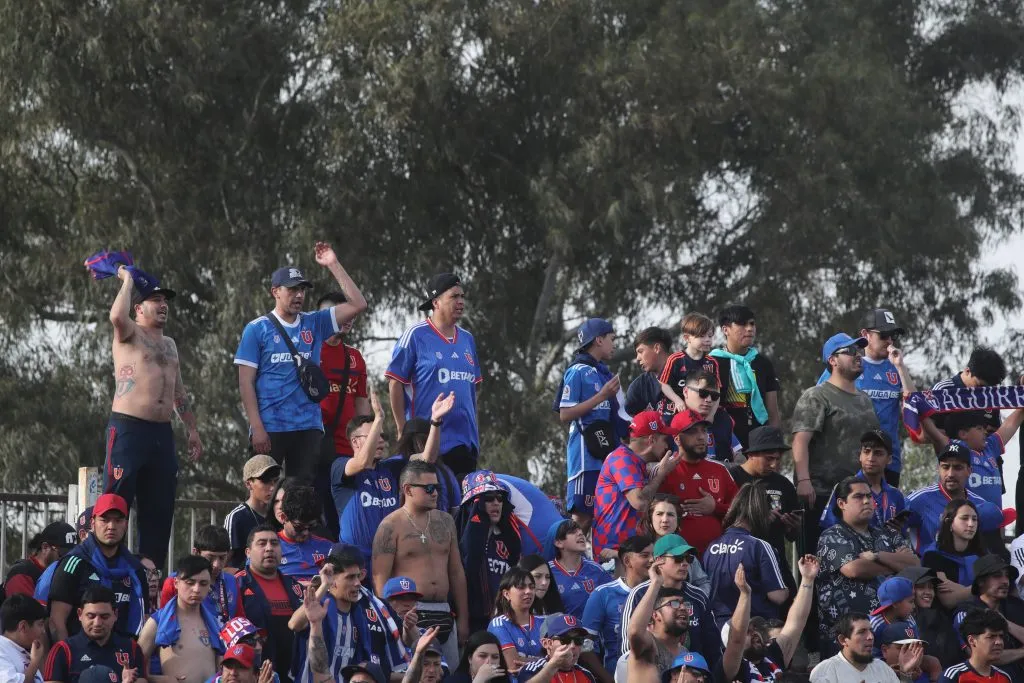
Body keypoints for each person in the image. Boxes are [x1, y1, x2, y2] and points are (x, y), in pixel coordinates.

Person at [234, 242, 367, 478]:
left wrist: (333, 264)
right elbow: (246, 382)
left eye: (302, 290)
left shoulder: (315, 322)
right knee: (263, 490)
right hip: (270, 426)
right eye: (292, 289)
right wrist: (256, 427)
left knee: (301, 497)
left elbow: (358, 304)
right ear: (275, 291)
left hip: (308, 427)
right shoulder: (256, 329)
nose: (299, 295)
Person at [105, 265, 202, 567]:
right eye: (155, 300)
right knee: (117, 499)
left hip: (161, 433)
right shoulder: (129, 332)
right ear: (139, 308)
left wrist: (192, 430)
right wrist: (128, 280)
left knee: (160, 506)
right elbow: (116, 317)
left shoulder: (170, 344)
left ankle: (150, 571)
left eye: (165, 301)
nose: (163, 305)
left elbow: (179, 392)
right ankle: (107, 563)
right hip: (129, 429)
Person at [371, 459, 469, 669]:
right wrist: (391, 622)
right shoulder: (390, 525)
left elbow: (456, 572)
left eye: (437, 488)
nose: (435, 493)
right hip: (410, 613)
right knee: (417, 674)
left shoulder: (446, 521)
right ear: (408, 489)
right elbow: (380, 580)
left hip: (445, 611)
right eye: (429, 488)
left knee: (449, 675)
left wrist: (463, 619)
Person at [385, 272, 483, 482]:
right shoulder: (416, 335)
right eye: (454, 296)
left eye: (462, 297)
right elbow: (395, 383)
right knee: (433, 507)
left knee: (462, 510)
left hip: (465, 443)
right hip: (427, 442)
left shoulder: (467, 339)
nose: (460, 302)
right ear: (436, 302)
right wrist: (402, 429)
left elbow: (473, 390)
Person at [792, 333, 880, 557]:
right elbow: (800, 441)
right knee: (815, 562)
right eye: (850, 352)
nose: (858, 356)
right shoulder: (816, 396)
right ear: (832, 360)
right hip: (821, 494)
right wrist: (803, 481)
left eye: (859, 351)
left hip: (858, 496)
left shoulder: (865, 400)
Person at [816, 477, 919, 658]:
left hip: (892, 636)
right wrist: (895, 564)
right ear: (842, 503)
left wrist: (878, 556)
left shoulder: (888, 534)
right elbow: (854, 569)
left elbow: (914, 565)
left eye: (869, 496)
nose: (866, 501)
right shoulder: (832, 535)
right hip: (847, 639)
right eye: (858, 497)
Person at [817, 309, 916, 487]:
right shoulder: (846, 366)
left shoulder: (895, 367)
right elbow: (819, 404)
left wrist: (901, 367)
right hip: (853, 458)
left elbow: (915, 407)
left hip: (888, 459)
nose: (889, 341)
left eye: (893, 336)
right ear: (865, 334)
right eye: (884, 335)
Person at [556, 317, 628, 533]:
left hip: (606, 452)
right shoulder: (577, 371)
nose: (614, 344)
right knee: (582, 518)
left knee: (603, 515)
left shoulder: (602, 371)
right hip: (585, 456)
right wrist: (602, 395)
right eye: (611, 339)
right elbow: (565, 413)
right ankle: (560, 563)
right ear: (598, 340)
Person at [47, 494, 148, 642]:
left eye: (118, 520)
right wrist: (68, 658)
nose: (111, 526)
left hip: (122, 658)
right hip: (81, 658)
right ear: (92, 523)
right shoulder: (74, 564)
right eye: (104, 520)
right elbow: (56, 621)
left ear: (125, 525)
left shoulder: (136, 569)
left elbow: (144, 621)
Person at [618, 534, 719, 669]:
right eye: (677, 558)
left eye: (688, 558)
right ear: (658, 561)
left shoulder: (698, 596)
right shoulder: (639, 594)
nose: (684, 563)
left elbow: (712, 646)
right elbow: (627, 648)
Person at [315, 290, 371, 536]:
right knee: (319, 515)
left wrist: (368, 441)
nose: (349, 319)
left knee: (348, 517)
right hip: (314, 449)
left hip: (348, 451)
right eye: (343, 313)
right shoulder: (310, 351)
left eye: (352, 315)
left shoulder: (355, 357)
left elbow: (361, 402)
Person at [591, 411, 682, 560]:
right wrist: (661, 474)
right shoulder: (622, 458)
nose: (667, 445)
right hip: (613, 552)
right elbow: (639, 502)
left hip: (629, 552)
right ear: (652, 439)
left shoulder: (635, 461)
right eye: (664, 439)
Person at [702, 483, 789, 630]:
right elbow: (777, 596)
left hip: (718, 628)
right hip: (754, 631)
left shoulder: (711, 547)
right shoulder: (760, 546)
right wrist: (791, 590)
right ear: (761, 511)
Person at [728, 426, 800, 594]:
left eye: (778, 458)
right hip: (741, 562)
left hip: (776, 560)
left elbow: (792, 536)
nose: (774, 464)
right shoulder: (731, 477)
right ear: (751, 454)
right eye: (769, 459)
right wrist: (758, 518)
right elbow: (724, 521)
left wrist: (793, 525)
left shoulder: (784, 484)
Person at [657, 409, 739, 554]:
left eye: (704, 431)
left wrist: (715, 507)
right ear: (677, 439)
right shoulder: (665, 470)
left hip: (719, 558)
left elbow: (742, 512)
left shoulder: (720, 470)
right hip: (677, 560)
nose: (702, 437)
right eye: (693, 432)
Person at [460, 472, 529, 633]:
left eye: (499, 498)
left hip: (506, 620)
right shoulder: (458, 537)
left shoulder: (509, 538)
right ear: (475, 503)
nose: (496, 503)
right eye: (489, 498)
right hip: (475, 622)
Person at [906, 442, 1004, 554]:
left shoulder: (979, 503)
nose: (950, 474)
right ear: (938, 469)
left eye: (958, 468)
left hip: (967, 568)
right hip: (928, 568)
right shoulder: (920, 499)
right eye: (945, 467)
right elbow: (891, 528)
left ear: (969, 471)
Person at [233, 526, 303, 681]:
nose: (269, 548)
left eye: (274, 543)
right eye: (262, 543)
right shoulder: (236, 585)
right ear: (248, 552)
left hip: (292, 673)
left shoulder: (294, 587)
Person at [139, 556, 222, 683]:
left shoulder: (214, 623)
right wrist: (159, 679)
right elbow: (135, 668)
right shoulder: (158, 622)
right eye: (190, 583)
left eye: (203, 583)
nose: (196, 589)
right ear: (176, 583)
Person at [708, 304, 781, 447]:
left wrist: (776, 445)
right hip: (725, 440)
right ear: (725, 329)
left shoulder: (762, 363)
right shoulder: (712, 362)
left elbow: (773, 411)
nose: (749, 328)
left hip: (759, 440)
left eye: (752, 324)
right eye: (742, 324)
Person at [741, 555, 821, 680]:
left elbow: (796, 623)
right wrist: (745, 594)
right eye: (747, 632)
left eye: (753, 630)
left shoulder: (772, 655)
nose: (754, 633)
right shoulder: (735, 669)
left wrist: (807, 579)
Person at [581, 536, 652, 675]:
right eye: (645, 555)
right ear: (627, 560)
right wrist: (607, 678)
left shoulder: (658, 591)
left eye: (654, 555)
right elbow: (585, 646)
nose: (652, 560)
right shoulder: (603, 594)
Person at [44, 587, 146, 683]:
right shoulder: (63, 650)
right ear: (80, 614)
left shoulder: (132, 648)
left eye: (104, 616)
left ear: (115, 615)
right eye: (91, 616)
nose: (97, 623)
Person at [616, 559, 695, 682]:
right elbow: (635, 631)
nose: (683, 607)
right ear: (655, 615)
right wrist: (655, 583)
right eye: (674, 603)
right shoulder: (648, 646)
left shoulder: (684, 653)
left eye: (684, 604)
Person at [950, 556, 1024, 679]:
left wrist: (1006, 623)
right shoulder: (966, 612)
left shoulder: (1017, 606)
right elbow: (980, 656)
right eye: (997, 576)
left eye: (1006, 576)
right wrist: (1021, 652)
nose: (1005, 581)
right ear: (980, 581)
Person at [820, 429, 907, 530]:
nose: (870, 458)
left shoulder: (895, 495)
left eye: (878, 453)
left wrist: (898, 530)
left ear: (889, 459)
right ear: (860, 456)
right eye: (866, 451)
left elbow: (903, 534)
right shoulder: (844, 488)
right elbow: (829, 528)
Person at [158, 526, 243, 625]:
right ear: (196, 553)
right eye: (210, 557)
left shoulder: (231, 581)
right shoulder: (174, 582)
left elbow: (240, 619)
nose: (216, 564)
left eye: (222, 558)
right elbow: (164, 622)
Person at [809, 612, 923, 682]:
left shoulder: (882, 668)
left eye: (871, 631)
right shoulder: (824, 671)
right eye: (862, 632)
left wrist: (905, 674)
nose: (870, 637)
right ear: (843, 640)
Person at [634, 495, 711, 594]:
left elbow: (702, 582)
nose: (665, 520)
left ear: (678, 521)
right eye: (659, 514)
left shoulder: (687, 552)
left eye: (670, 514)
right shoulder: (638, 553)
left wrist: (694, 602)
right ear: (650, 520)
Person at [921, 499, 985, 609]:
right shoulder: (933, 556)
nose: (971, 524)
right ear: (949, 522)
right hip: (945, 619)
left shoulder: (982, 555)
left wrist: (962, 590)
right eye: (964, 518)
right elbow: (948, 600)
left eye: (974, 519)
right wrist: (982, 587)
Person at [542, 520, 612, 620]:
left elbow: (614, 599)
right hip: (561, 633)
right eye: (572, 532)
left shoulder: (596, 569)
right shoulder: (547, 572)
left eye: (580, 530)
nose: (580, 533)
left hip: (595, 633)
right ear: (558, 542)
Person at [657, 313, 721, 416]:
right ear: (687, 338)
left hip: (702, 410)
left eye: (710, 336)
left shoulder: (712, 362)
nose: (708, 339)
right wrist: (677, 400)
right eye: (702, 336)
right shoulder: (675, 359)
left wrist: (711, 415)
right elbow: (663, 384)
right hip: (675, 410)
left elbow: (717, 389)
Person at [224, 456, 281, 569]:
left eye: (275, 481)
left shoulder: (279, 514)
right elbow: (222, 565)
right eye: (265, 481)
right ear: (248, 484)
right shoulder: (237, 517)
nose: (272, 487)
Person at [898, 566, 960, 670]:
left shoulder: (940, 618)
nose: (928, 592)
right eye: (921, 587)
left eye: (931, 587)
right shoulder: (897, 621)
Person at [674, 367, 741, 463]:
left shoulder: (723, 420)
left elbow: (739, 456)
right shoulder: (669, 421)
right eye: (703, 393)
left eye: (714, 396)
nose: (709, 400)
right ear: (685, 392)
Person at [487, 568, 543, 674]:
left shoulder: (545, 622)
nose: (528, 591)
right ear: (506, 594)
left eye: (531, 587)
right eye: (521, 587)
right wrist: (546, 662)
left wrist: (537, 663)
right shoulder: (499, 624)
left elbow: (562, 660)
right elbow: (513, 665)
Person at [276, 485, 333, 584]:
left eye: (311, 526)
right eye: (299, 527)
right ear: (283, 517)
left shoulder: (328, 548)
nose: (306, 532)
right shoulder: (268, 547)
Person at [3, 523, 76, 598]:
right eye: (63, 555)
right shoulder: (22, 574)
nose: (69, 560)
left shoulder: (66, 573)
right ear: (45, 547)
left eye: (74, 556)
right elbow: (26, 608)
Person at [516, 613, 595, 682]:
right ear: (547, 643)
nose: (572, 646)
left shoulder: (586, 674)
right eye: (565, 640)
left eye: (578, 640)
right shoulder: (533, 669)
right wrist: (553, 665)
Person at [941, 609, 1013, 683]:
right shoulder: (954, 676)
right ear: (972, 640)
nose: (999, 642)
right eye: (991, 636)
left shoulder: (1004, 678)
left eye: (1001, 636)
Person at [625, 327, 674, 416]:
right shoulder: (638, 388)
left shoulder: (688, 374)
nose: (638, 358)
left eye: (640, 351)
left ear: (657, 348)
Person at [0, 595, 46, 683]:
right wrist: (34, 663)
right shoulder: (2, 649)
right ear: (23, 627)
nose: (43, 631)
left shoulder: (23, 650)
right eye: (40, 624)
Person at [443, 630, 513, 683]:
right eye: (482, 656)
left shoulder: (503, 680)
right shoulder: (454, 680)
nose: (489, 662)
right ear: (470, 658)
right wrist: (479, 680)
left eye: (495, 657)